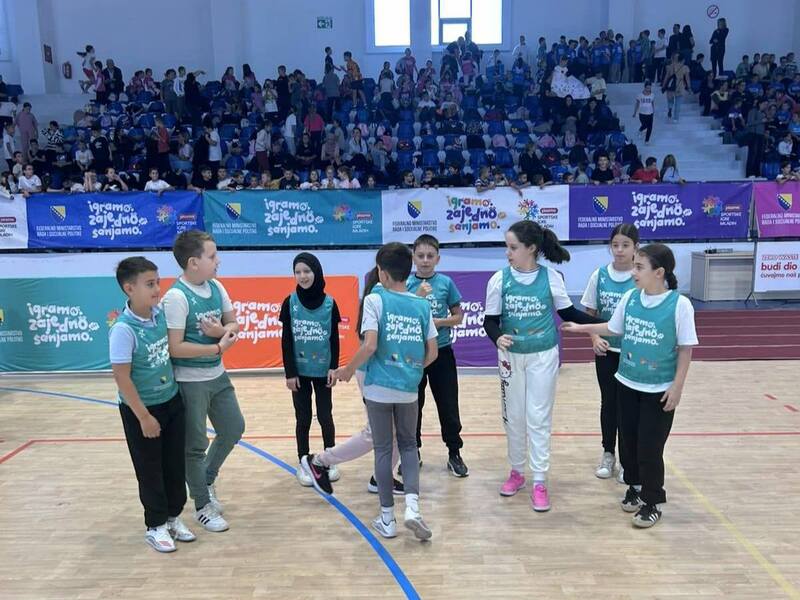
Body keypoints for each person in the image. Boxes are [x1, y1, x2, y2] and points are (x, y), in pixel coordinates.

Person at [562, 243, 698, 528]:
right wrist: (581, 328)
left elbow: (685, 349)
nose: (633, 272)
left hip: (658, 390)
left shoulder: (679, 305)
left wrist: (677, 387)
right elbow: (613, 329)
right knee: (629, 442)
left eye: (639, 267)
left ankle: (652, 501)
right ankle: (634, 488)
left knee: (650, 447)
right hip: (626, 383)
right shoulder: (631, 298)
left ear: (659, 272)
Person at [482, 221, 601, 511]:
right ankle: (516, 472)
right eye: (507, 247)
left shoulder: (551, 278)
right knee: (514, 417)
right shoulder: (499, 280)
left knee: (538, 417)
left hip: (543, 355)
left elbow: (569, 313)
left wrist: (605, 325)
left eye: (513, 247)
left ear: (531, 248)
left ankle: (539, 480)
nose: (508, 253)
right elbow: (490, 321)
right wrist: (497, 338)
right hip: (510, 358)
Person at [334, 243, 438, 541]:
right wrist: (412, 370)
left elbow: (369, 345)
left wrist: (348, 370)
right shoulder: (422, 305)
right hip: (408, 388)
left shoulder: (375, 299)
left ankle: (387, 519)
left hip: (379, 388)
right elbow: (432, 352)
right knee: (408, 446)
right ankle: (413, 509)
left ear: (382, 272)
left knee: (382, 449)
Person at [109, 257, 201, 552]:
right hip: (143, 410)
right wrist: (144, 417)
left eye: (158, 282)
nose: (157, 289)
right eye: (150, 284)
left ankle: (173, 517)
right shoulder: (123, 329)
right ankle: (156, 525)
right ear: (129, 288)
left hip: (171, 401)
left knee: (174, 466)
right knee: (150, 470)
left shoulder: (160, 315)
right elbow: (122, 378)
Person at [162, 231, 244, 533]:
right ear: (193, 262)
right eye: (212, 256)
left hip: (217, 375)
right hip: (190, 381)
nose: (217, 260)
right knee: (195, 446)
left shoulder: (216, 286)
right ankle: (201, 506)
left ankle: (206, 479)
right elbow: (175, 348)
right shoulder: (176, 298)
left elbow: (234, 325)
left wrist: (219, 333)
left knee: (233, 428)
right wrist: (217, 347)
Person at [300, 267, 404, 497]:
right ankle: (319, 461)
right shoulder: (378, 299)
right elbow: (369, 345)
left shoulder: (388, 299)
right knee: (375, 433)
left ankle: (382, 478)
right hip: (373, 374)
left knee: (395, 432)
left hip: (385, 374)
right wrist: (348, 369)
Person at [580, 224, 639, 482]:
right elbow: (589, 314)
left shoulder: (640, 276)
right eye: (615, 245)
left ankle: (628, 460)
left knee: (629, 407)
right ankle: (608, 454)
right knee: (609, 403)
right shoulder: (600, 275)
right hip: (606, 352)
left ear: (636, 247)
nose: (619, 250)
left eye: (625, 245)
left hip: (632, 355)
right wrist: (594, 337)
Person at [406, 235, 467, 477]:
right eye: (420, 256)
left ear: (438, 259)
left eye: (430, 256)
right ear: (413, 258)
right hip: (414, 354)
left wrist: (439, 322)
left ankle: (454, 452)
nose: (425, 260)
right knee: (413, 405)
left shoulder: (446, 283)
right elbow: (402, 314)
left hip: (442, 352)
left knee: (448, 404)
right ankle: (413, 452)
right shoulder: (406, 284)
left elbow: (458, 316)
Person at [279, 253, 342, 487]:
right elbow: (286, 341)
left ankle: (329, 459)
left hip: (323, 371)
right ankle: (304, 461)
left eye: (307, 271)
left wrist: (334, 367)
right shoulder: (290, 302)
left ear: (316, 272)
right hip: (300, 373)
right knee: (303, 418)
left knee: (325, 416)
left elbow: (334, 339)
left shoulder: (330, 303)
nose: (302, 276)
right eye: (298, 272)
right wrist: (290, 373)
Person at [662, 54, 690, 123]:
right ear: (683, 60)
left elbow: (666, 77)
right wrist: (689, 87)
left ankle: (670, 108)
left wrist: (663, 86)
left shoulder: (670, 66)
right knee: (678, 103)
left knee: (670, 100)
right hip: (680, 85)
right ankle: (676, 118)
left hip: (671, 85)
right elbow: (687, 78)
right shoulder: (685, 67)